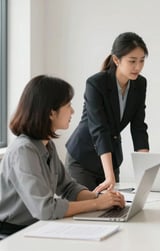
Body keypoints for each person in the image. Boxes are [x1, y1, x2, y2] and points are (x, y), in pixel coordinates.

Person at [0, 75, 125, 237]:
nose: (72, 111)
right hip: (11, 235)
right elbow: (45, 209)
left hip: (35, 227)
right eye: (68, 105)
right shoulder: (23, 151)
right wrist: (97, 204)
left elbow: (68, 188)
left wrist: (103, 198)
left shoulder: (47, 145)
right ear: (51, 113)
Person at [65, 32, 149, 192]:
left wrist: (146, 172)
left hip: (111, 158)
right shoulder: (96, 83)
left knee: (111, 211)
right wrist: (109, 176)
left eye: (141, 61)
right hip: (83, 158)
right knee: (87, 212)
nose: (138, 67)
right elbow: (99, 129)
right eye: (132, 61)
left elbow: (138, 127)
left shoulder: (140, 84)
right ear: (116, 60)